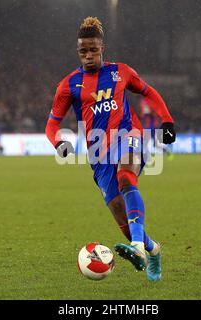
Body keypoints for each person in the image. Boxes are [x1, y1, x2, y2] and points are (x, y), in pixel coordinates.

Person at [45, 17, 176, 281]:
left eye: (93, 49)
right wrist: (58, 143)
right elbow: (51, 125)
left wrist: (167, 120)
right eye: (83, 51)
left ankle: (137, 247)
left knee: (126, 176)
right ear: (78, 51)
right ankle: (151, 249)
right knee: (123, 218)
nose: (89, 55)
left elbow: (148, 92)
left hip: (129, 135)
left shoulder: (121, 72)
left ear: (102, 48)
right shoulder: (68, 85)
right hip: (98, 154)